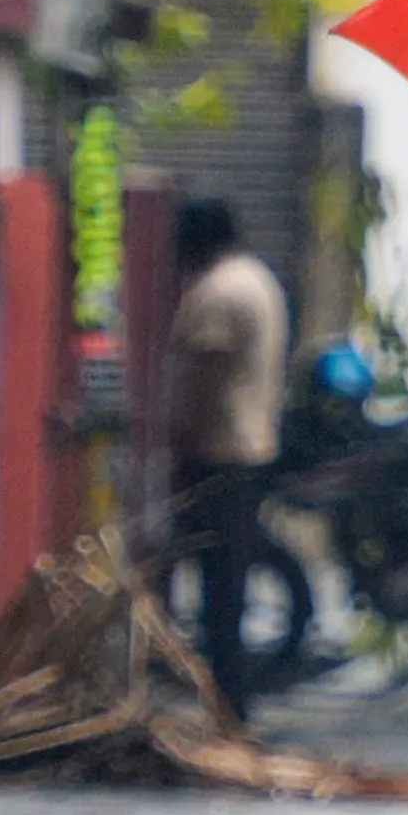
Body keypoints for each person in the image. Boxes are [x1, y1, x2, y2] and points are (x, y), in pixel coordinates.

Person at [160, 196, 288, 714]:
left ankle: (225, 700)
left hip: (217, 451)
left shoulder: (215, 291)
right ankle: (230, 698)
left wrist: (177, 438)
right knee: (227, 585)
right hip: (252, 449)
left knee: (211, 586)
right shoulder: (258, 279)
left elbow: (206, 375)